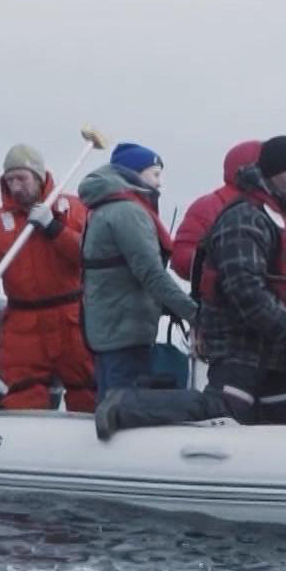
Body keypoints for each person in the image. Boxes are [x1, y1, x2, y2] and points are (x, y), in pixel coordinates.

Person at [96, 135, 286, 439]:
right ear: (275, 172)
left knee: (284, 413)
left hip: (273, 348)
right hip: (240, 344)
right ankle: (125, 405)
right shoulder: (245, 218)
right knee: (225, 406)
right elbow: (246, 291)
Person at [0, 143, 96, 412]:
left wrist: (54, 228)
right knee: (23, 391)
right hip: (23, 323)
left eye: (22, 178)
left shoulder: (73, 210)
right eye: (10, 180)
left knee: (87, 386)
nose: (16, 187)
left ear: (39, 176)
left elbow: (89, 254)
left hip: (72, 316)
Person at [79, 142, 198, 393]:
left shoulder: (105, 208)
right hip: (125, 334)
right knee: (125, 407)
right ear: (134, 172)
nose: (159, 183)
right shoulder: (128, 212)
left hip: (110, 329)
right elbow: (150, 273)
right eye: (155, 173)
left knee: (111, 397)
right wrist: (194, 313)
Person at [170, 139, 260, 282]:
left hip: (280, 302)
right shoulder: (209, 206)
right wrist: (227, 267)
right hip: (224, 298)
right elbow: (182, 258)